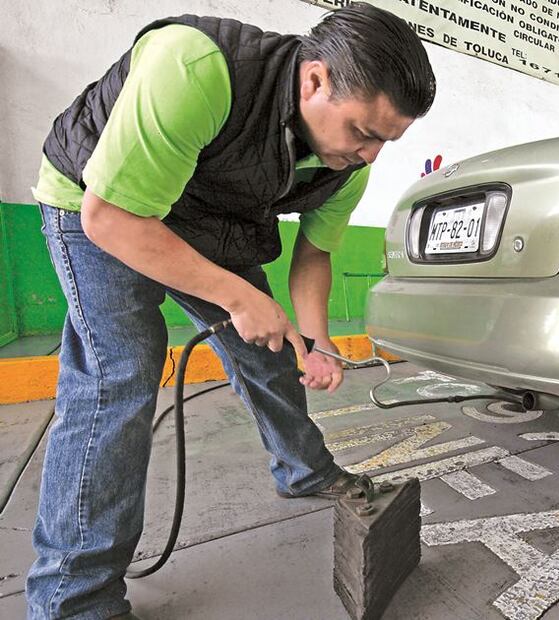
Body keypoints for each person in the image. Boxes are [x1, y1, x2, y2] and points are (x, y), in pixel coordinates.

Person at [26, 4, 435, 618]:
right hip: (99, 204)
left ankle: (305, 470)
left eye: (387, 140)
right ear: (315, 81)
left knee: (271, 352)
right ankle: (72, 598)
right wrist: (242, 296)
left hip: (207, 222)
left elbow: (313, 256)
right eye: (363, 132)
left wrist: (316, 341)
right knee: (119, 375)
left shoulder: (345, 166)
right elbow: (112, 218)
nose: (371, 154)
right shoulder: (195, 66)